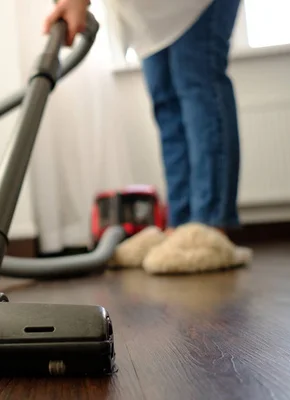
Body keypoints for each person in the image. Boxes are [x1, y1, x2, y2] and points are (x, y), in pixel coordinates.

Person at [43, 0, 252, 274]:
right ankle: (180, 226)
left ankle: (209, 228)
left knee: (198, 85)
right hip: (150, 13)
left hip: (196, 5)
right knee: (165, 102)